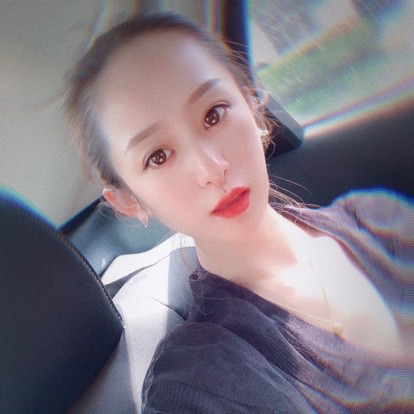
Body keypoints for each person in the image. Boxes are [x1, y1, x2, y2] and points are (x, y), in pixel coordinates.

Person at [66, 12, 414, 413]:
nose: (212, 169)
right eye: (158, 156)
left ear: (252, 105)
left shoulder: (377, 219)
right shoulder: (203, 380)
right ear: (130, 201)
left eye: (213, 114)